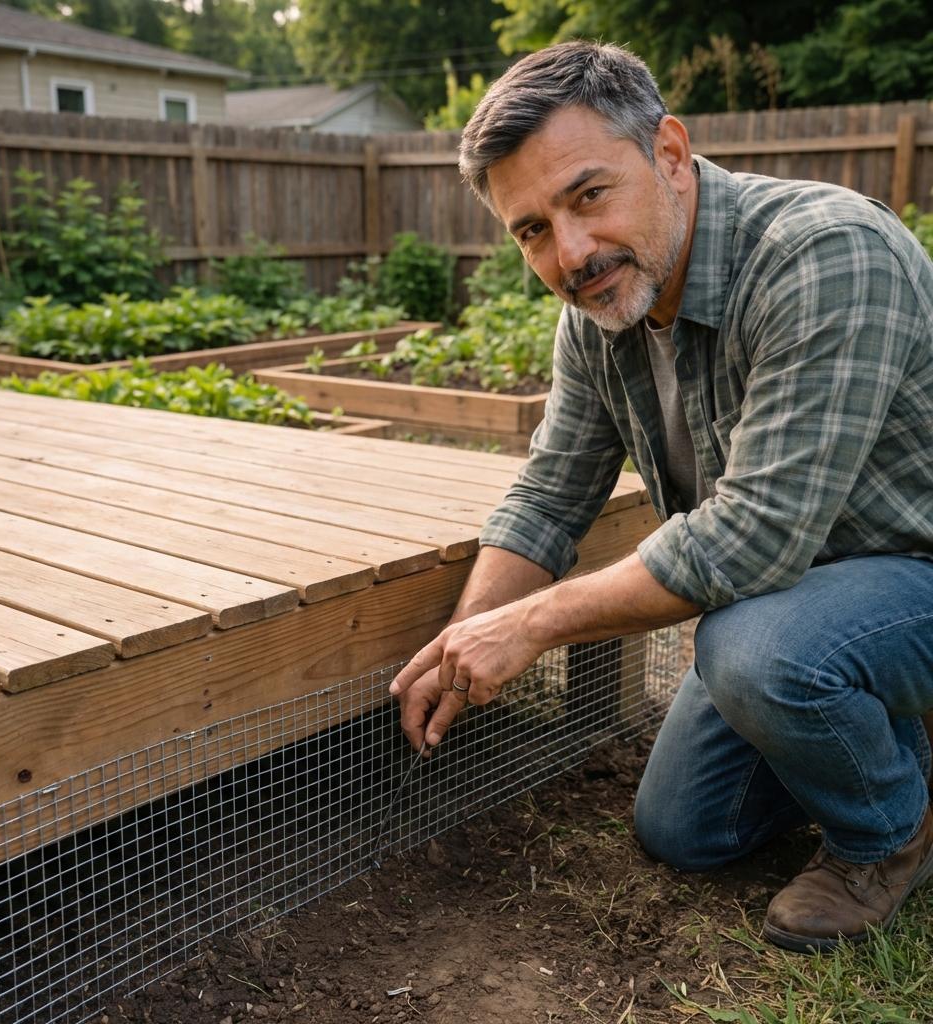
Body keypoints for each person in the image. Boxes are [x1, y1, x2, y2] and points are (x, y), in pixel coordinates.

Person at [388, 41, 933, 954]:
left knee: (755, 647)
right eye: (531, 229)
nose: (570, 252)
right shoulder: (598, 316)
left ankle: (887, 837)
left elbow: (751, 542)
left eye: (587, 195)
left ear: (670, 155)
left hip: (906, 579)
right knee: (686, 829)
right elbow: (549, 497)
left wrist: (528, 628)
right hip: (809, 602)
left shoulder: (826, 254)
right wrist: (463, 640)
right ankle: (888, 740)